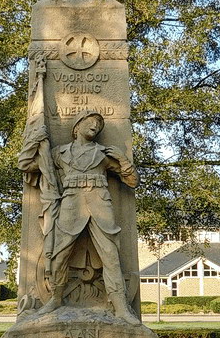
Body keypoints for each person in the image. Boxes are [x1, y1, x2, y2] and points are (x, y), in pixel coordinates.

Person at [18, 110, 139, 323]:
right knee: (59, 254)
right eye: (91, 121)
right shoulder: (59, 153)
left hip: (100, 202)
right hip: (71, 204)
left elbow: (132, 181)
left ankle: (121, 308)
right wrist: (34, 141)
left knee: (110, 254)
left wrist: (122, 160)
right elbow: (25, 165)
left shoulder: (104, 154)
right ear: (77, 126)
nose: (95, 126)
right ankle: (55, 298)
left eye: (99, 124)